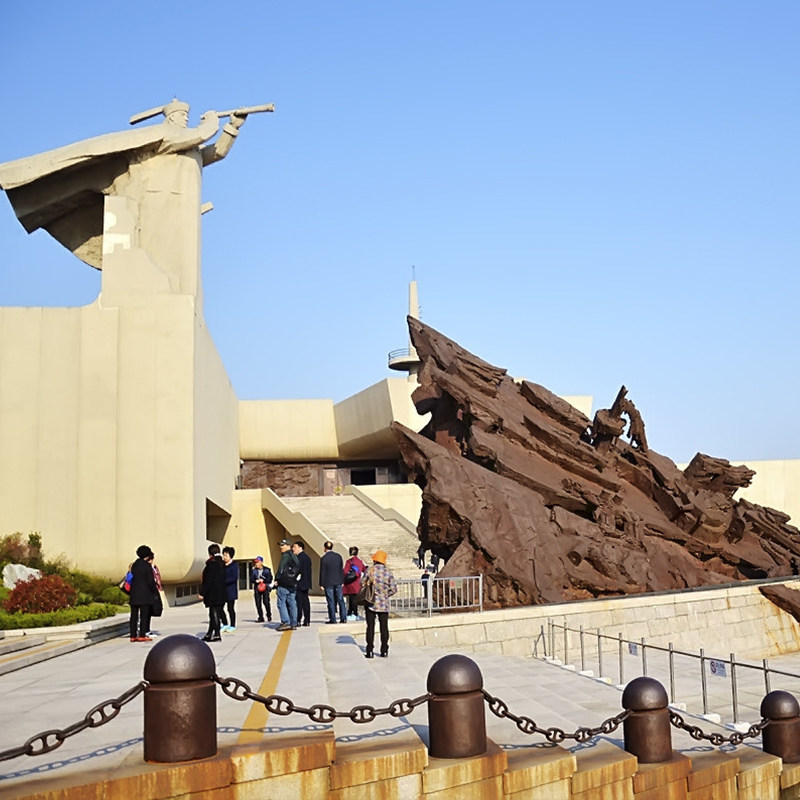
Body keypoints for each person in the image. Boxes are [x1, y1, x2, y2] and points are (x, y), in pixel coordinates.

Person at [364, 550, 397, 659]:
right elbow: (394, 589)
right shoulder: (388, 572)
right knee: (384, 627)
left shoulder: (370, 570)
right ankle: (384, 650)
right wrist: (385, 595)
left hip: (371, 603)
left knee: (370, 627)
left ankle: (370, 650)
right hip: (383, 604)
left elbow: (362, 582)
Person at [129, 545, 159, 642]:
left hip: (134, 594)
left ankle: (133, 635)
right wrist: (154, 591)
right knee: (144, 616)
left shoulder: (134, 565)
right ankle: (142, 635)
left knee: (134, 616)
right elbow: (150, 581)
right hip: (145, 595)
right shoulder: (147, 566)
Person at [199, 544, 226, 642]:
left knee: (214, 614)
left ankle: (217, 634)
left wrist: (202, 592)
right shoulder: (222, 563)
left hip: (213, 593)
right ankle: (209, 633)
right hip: (222, 592)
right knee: (214, 614)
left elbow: (208, 580)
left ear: (210, 553)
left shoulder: (212, 564)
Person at [274, 539, 299, 631]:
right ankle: (294, 623)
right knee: (292, 603)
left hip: (284, 583)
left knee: (281, 602)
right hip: (292, 583)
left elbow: (281, 569)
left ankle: (286, 622)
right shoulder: (294, 556)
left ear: (288, 546)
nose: (281, 547)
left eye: (282, 545)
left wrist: (277, 579)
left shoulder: (285, 555)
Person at [319, 540, 347, 624]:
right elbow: (341, 569)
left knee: (331, 601)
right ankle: (343, 617)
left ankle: (333, 619)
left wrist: (321, 583)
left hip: (328, 582)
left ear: (324, 548)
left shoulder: (324, 558)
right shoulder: (338, 556)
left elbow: (322, 571)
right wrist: (342, 580)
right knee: (340, 600)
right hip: (338, 581)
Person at [292, 540, 313, 627]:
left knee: (299, 603)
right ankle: (307, 620)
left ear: (300, 548)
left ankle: (298, 620)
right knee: (305, 602)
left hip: (299, 583)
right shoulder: (307, 558)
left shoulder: (298, 558)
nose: (293, 549)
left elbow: (297, 571)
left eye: (295, 547)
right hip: (306, 583)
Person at [343, 546, 365, 620]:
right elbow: (363, 569)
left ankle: (352, 613)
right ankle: (354, 614)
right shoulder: (360, 561)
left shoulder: (349, 561)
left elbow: (345, 571)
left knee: (351, 599)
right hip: (357, 583)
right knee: (354, 599)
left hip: (350, 583)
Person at [220, 546, 238, 632]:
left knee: (230, 608)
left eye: (226, 555)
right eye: (223, 555)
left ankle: (232, 625)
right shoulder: (222, 565)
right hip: (222, 591)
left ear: (230, 556)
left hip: (230, 590)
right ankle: (225, 623)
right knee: (220, 607)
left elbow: (234, 577)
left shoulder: (234, 565)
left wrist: (223, 581)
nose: (224, 557)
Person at [251, 556, 272, 622]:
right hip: (257, 588)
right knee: (258, 603)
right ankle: (260, 617)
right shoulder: (254, 571)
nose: (256, 564)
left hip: (265, 587)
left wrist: (263, 580)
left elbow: (270, 579)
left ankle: (269, 615)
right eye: (255, 562)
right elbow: (251, 579)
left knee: (266, 602)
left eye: (258, 562)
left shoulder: (267, 570)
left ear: (261, 562)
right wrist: (255, 581)